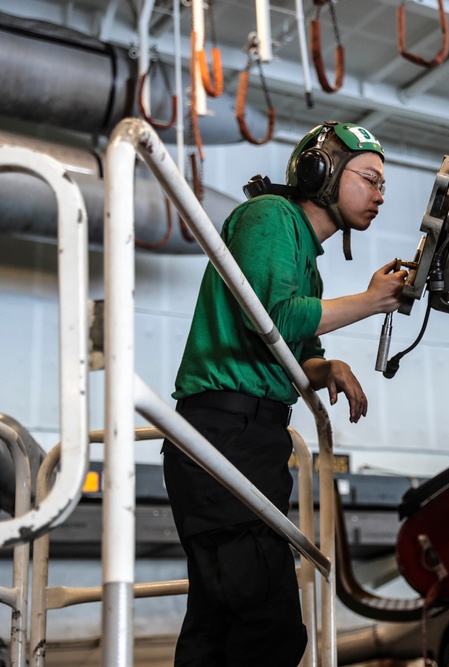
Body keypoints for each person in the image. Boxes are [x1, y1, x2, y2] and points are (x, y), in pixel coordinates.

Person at [161, 121, 407, 667]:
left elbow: (293, 350)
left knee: (218, 626)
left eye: (383, 185)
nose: (380, 195)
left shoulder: (307, 261)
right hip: (225, 435)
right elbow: (270, 318)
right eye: (369, 178)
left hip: (252, 438)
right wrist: (371, 301)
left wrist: (327, 368)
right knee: (266, 627)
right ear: (321, 172)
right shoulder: (270, 218)